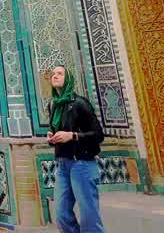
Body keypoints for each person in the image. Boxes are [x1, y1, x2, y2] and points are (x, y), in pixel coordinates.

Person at [46, 65, 104, 233]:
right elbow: (60, 133)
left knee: (89, 217)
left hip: (82, 164)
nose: (55, 76)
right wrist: (53, 137)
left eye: (60, 73)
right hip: (63, 164)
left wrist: (73, 136)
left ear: (68, 79)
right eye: (53, 74)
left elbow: (98, 135)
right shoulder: (54, 105)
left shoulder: (80, 103)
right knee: (61, 215)